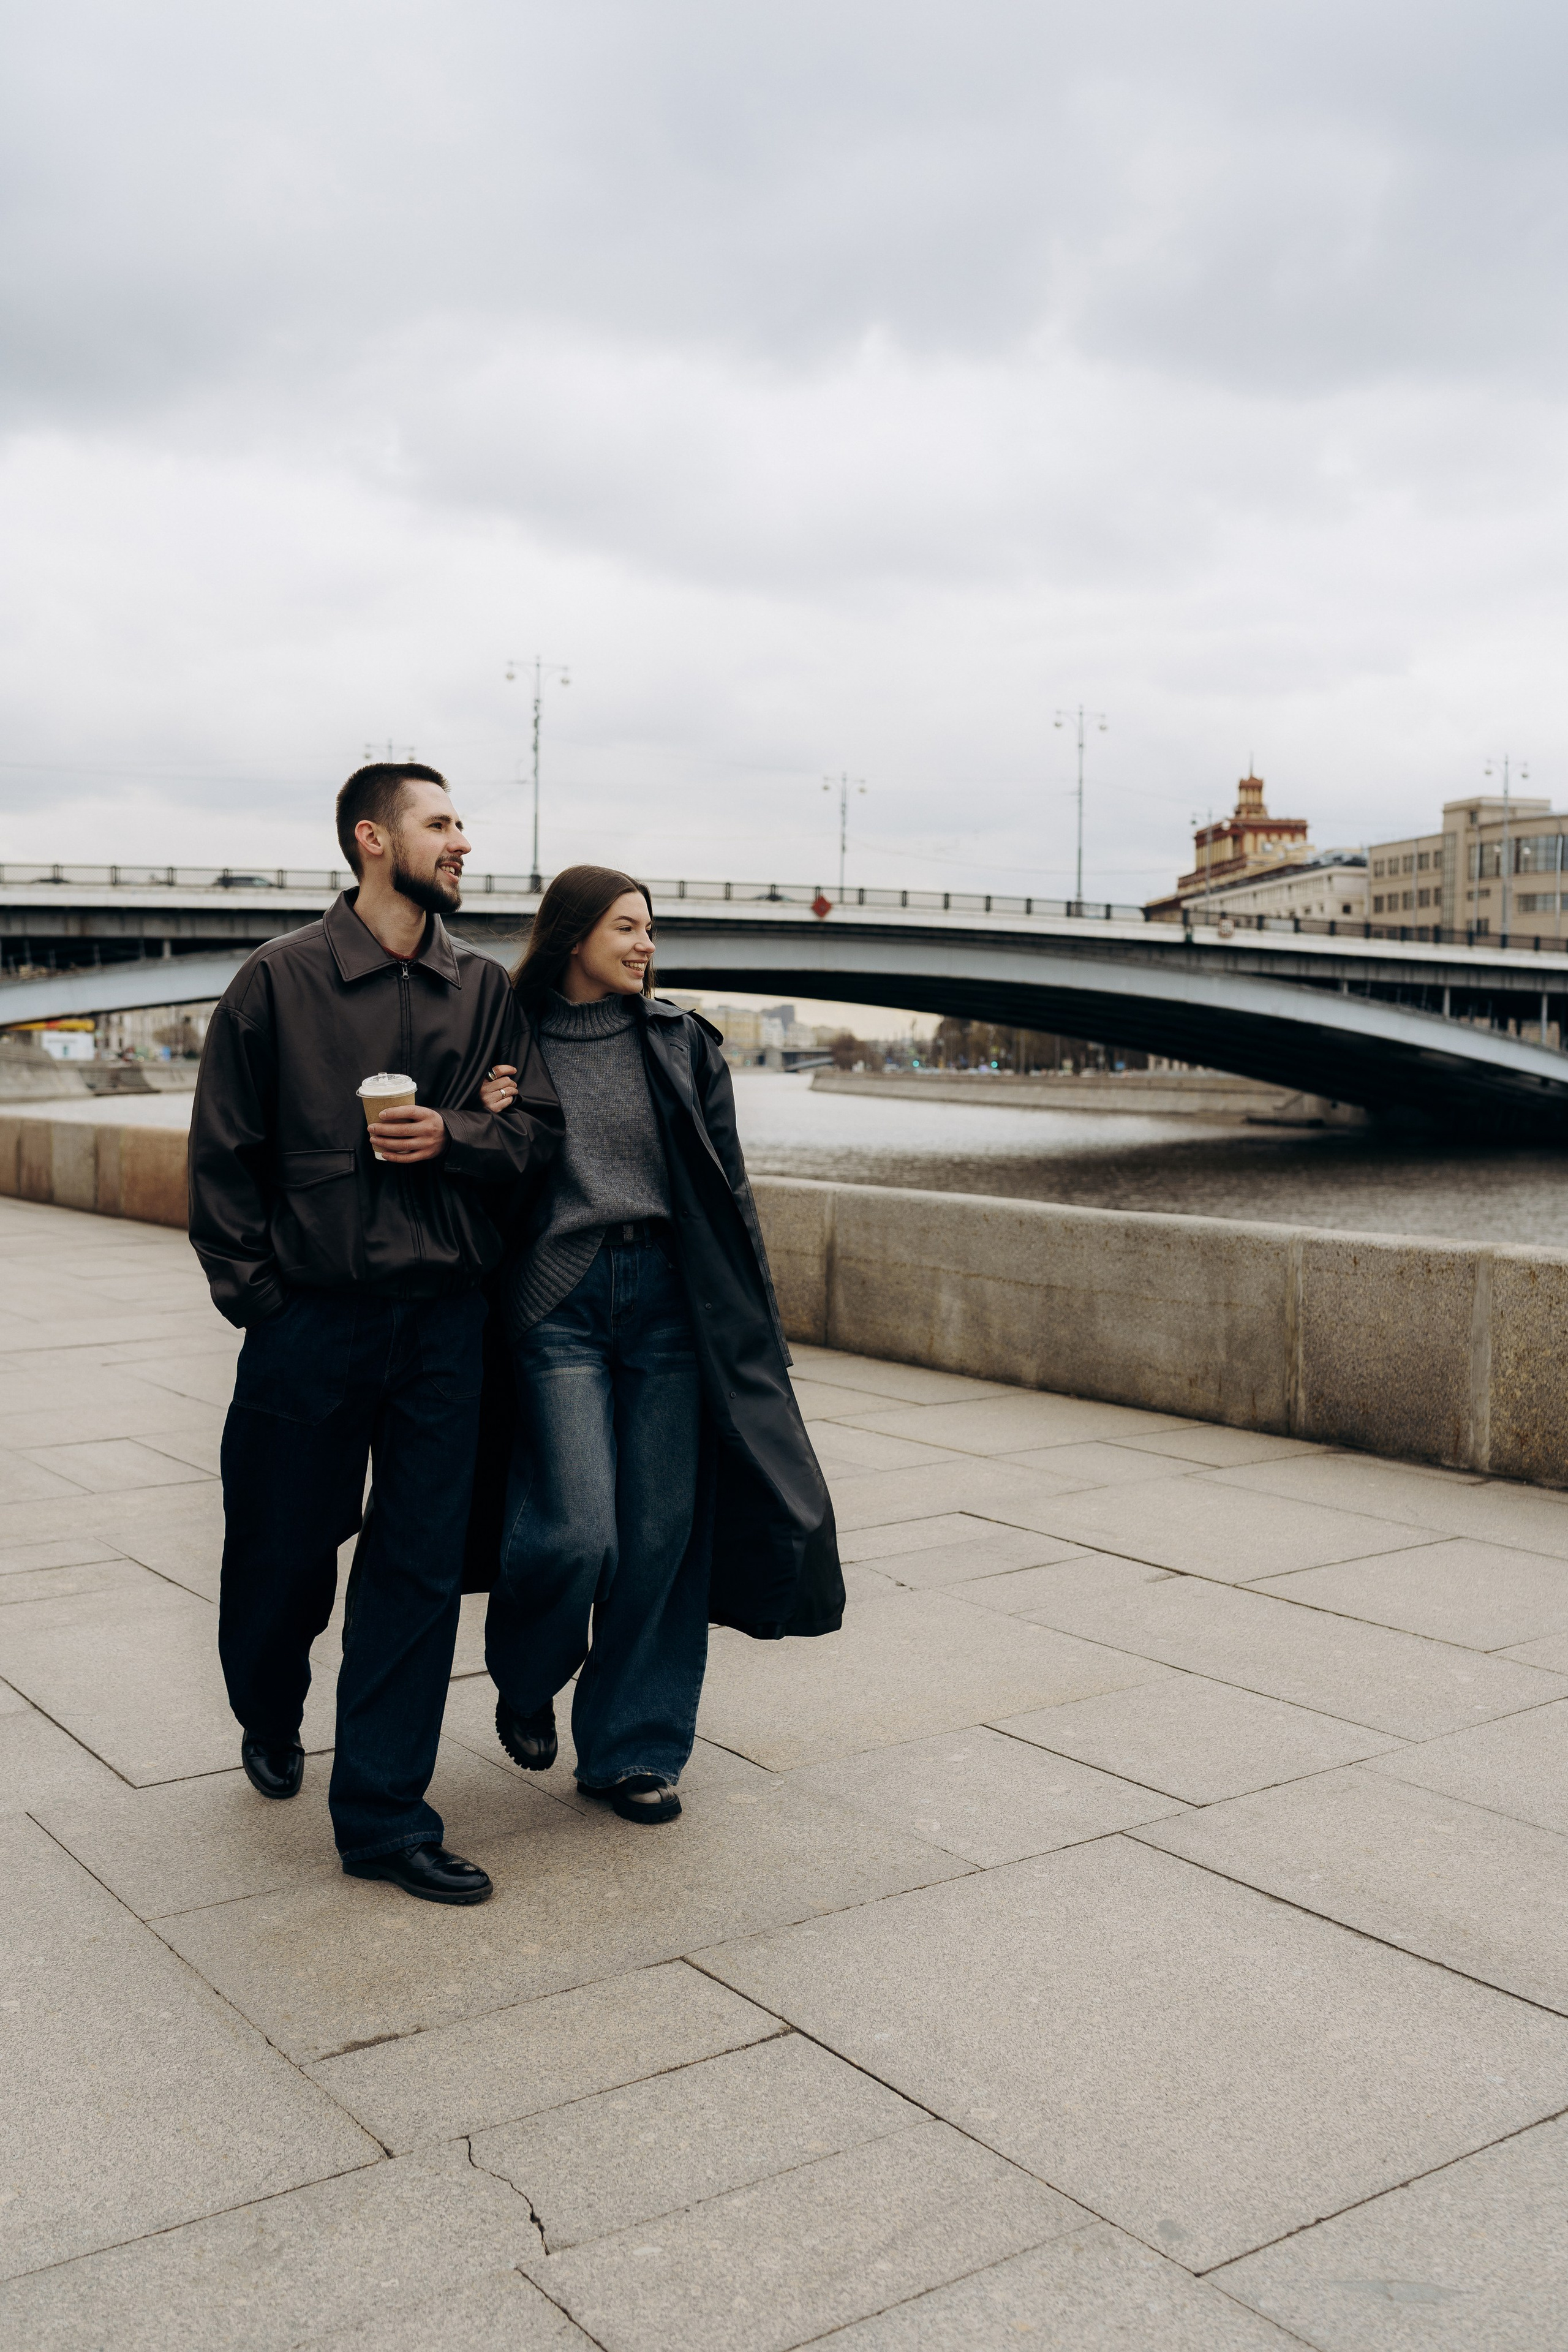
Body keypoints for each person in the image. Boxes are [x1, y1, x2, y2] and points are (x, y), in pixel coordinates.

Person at [187, 763, 562, 1905]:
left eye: (461, 824)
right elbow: (222, 1162)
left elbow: (534, 1135)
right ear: (371, 840)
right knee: (282, 1550)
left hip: (444, 1326)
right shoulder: (279, 983)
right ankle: (267, 1701)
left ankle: (387, 1818)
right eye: (439, 824)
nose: (462, 842)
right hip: (312, 1323)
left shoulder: (483, 988)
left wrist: (454, 1135)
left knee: (413, 1573)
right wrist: (264, 1301)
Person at [475, 865, 842, 1823]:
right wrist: (486, 1111)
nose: (646, 945)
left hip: (674, 1310)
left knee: (659, 1542)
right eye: (627, 928)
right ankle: (526, 1674)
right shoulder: (505, 1038)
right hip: (559, 1301)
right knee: (576, 1526)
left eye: (650, 930)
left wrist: (759, 1325)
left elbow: (731, 1196)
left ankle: (633, 1748)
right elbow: (478, 1168)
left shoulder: (681, 1043)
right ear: (572, 936)